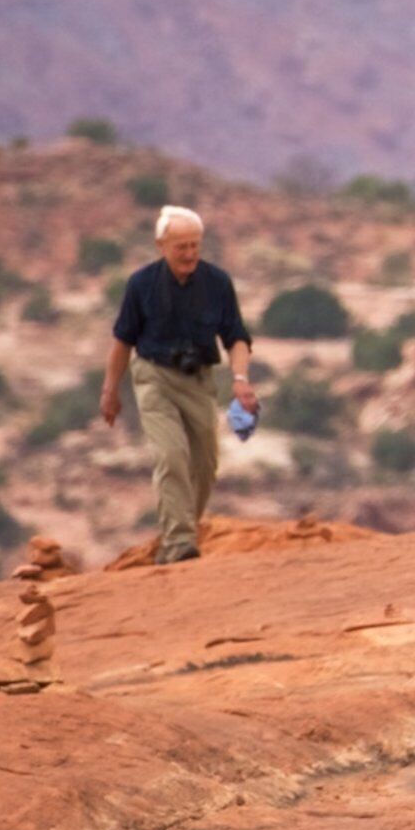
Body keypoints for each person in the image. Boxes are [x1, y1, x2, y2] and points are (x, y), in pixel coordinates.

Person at [101, 205, 259, 564]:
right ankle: (178, 544)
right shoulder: (141, 284)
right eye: (181, 247)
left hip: (199, 379)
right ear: (161, 245)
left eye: (195, 246)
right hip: (154, 376)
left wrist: (240, 379)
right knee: (171, 456)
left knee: (204, 464)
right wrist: (110, 390)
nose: (189, 254)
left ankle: (180, 532)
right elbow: (122, 342)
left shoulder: (217, 283)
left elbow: (236, 337)